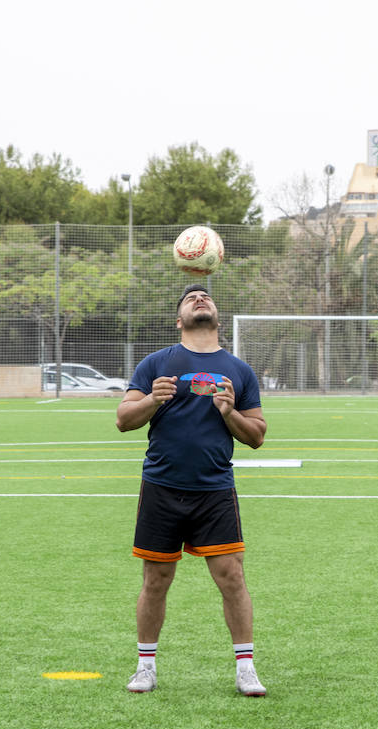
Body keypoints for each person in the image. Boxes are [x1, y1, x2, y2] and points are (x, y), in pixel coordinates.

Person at [115, 283, 268, 696]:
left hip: (214, 490)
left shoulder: (239, 370)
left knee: (231, 576)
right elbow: (124, 419)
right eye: (190, 298)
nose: (201, 299)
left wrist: (228, 411)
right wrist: (153, 401)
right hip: (162, 486)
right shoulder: (156, 363)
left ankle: (246, 668)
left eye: (207, 297)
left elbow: (256, 436)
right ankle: (145, 666)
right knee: (156, 578)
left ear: (217, 316)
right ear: (179, 319)